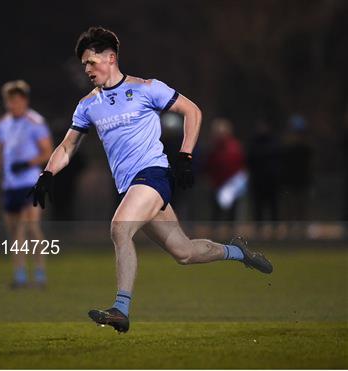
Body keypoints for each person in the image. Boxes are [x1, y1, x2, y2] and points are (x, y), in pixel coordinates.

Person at [28, 27, 273, 333]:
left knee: (119, 228)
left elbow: (192, 111)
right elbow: (67, 146)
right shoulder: (88, 105)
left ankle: (121, 308)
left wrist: (185, 156)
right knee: (184, 253)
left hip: (154, 175)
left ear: (111, 58)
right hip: (132, 187)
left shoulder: (147, 88)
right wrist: (48, 173)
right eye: (84, 66)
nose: (87, 70)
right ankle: (239, 253)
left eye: (91, 62)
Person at [0, 80, 53, 288]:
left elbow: (47, 152)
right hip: (10, 185)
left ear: (24, 100)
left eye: (16, 100)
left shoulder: (35, 122)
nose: (12, 104)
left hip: (30, 182)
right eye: (9, 100)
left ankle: (40, 272)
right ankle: (19, 275)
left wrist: (27, 163)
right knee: (14, 231)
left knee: (31, 228)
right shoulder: (2, 124)